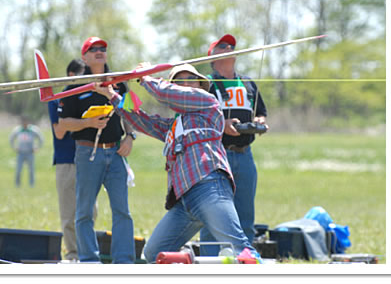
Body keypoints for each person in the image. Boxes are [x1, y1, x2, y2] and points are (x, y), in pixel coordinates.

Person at [94, 63, 261, 263]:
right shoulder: (174, 125)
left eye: (190, 80)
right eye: (179, 81)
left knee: (241, 249)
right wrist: (112, 94)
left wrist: (145, 78)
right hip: (184, 201)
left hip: (209, 186)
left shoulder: (208, 102)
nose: (184, 85)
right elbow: (141, 119)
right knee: (154, 254)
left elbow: (170, 94)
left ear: (200, 85)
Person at [58, 37, 136, 263]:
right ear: (84, 56)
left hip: (116, 153)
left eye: (103, 48)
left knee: (122, 211)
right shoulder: (74, 86)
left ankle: (124, 261)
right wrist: (88, 124)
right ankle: (89, 261)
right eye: (93, 49)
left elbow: (129, 113)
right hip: (87, 154)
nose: (100, 52)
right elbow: (64, 123)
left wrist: (130, 136)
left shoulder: (120, 82)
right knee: (83, 213)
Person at [200, 34, 268, 255]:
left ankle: (244, 262)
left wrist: (259, 122)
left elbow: (261, 112)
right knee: (213, 216)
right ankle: (209, 264)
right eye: (222, 46)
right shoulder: (206, 85)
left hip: (245, 155)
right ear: (213, 56)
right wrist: (222, 124)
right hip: (217, 155)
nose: (229, 47)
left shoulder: (248, 82)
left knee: (245, 216)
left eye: (231, 46)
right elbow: (199, 119)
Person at [48, 58, 98, 261]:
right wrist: (86, 122)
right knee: (69, 213)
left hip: (88, 159)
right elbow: (60, 131)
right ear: (71, 76)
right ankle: (72, 254)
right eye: (81, 75)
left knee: (90, 211)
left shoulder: (91, 97)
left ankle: (87, 252)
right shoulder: (57, 99)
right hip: (66, 161)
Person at [9, 116, 43, 187]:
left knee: (31, 170)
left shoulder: (33, 130)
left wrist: (37, 147)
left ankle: (31, 184)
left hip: (30, 152)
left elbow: (41, 138)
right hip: (20, 152)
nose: (24, 123)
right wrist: (14, 147)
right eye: (23, 122)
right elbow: (11, 138)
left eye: (26, 122)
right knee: (18, 169)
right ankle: (17, 184)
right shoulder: (18, 130)